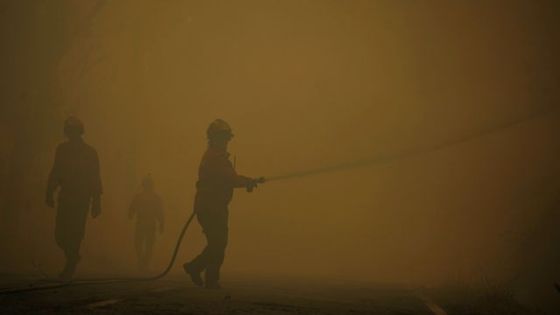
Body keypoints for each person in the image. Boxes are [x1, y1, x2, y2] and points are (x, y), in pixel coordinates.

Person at [183, 119, 264, 289]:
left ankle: (206, 276)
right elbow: (229, 178)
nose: (226, 142)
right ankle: (198, 270)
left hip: (214, 207)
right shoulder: (215, 157)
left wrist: (247, 182)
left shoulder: (216, 156)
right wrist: (248, 181)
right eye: (222, 138)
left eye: (227, 138)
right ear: (213, 138)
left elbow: (228, 179)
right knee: (218, 243)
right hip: (210, 208)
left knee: (218, 243)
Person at [46, 116, 102, 280]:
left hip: (82, 199)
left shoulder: (90, 153)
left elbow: (95, 178)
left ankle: (70, 266)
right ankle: (73, 257)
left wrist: (97, 202)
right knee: (60, 235)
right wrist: (49, 192)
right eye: (70, 131)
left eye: (74, 131)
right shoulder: (62, 150)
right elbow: (56, 171)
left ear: (80, 132)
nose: (72, 134)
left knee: (76, 232)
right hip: (66, 197)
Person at [128, 174, 164, 270]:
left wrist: (161, 223)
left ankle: (144, 262)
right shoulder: (143, 197)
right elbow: (132, 208)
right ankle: (142, 260)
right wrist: (161, 223)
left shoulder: (146, 197)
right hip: (144, 223)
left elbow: (159, 212)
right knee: (141, 244)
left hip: (147, 224)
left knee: (146, 245)